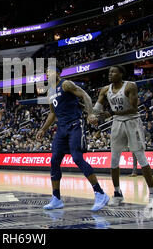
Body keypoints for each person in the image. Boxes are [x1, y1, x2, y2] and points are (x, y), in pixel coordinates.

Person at [36, 66, 109, 211]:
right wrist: (43, 129)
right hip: (61, 128)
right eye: (45, 72)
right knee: (54, 160)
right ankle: (56, 198)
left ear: (58, 73)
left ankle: (100, 193)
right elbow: (52, 113)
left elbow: (85, 96)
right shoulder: (50, 90)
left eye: (50, 71)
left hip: (75, 124)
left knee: (77, 158)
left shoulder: (65, 84)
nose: (47, 74)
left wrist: (90, 114)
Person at [90, 65, 153, 206]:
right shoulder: (105, 90)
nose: (110, 74)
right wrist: (92, 115)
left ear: (121, 74)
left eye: (113, 72)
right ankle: (117, 193)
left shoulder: (130, 86)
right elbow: (97, 108)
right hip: (117, 123)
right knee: (114, 160)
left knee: (141, 157)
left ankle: (152, 194)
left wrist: (111, 113)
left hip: (133, 122)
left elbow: (133, 108)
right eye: (109, 72)